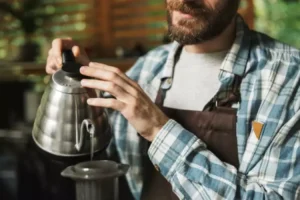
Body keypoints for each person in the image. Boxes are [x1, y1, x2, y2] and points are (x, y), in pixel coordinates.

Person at [45, 0, 300, 199]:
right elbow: (96, 162)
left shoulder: (289, 78)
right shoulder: (146, 69)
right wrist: (78, 96)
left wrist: (158, 130)